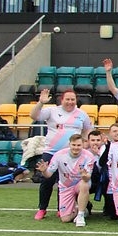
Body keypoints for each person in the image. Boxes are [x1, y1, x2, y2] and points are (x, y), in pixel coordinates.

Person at [30, 88, 94, 220]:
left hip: (71, 154)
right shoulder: (52, 111)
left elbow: (88, 130)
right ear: (62, 100)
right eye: (67, 99)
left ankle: (62, 208)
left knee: (64, 181)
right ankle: (42, 208)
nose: (70, 102)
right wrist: (41, 103)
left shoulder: (82, 114)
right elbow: (34, 116)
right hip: (51, 151)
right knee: (47, 180)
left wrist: (86, 143)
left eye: (73, 99)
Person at [36, 134, 95, 227]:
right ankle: (84, 210)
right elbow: (49, 175)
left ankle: (80, 215)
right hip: (66, 186)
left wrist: (84, 176)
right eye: (74, 145)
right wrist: (44, 171)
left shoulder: (89, 156)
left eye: (79, 145)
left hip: (80, 183)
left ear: (83, 145)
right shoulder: (59, 155)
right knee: (65, 219)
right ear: (69, 144)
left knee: (84, 183)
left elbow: (88, 177)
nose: (76, 148)